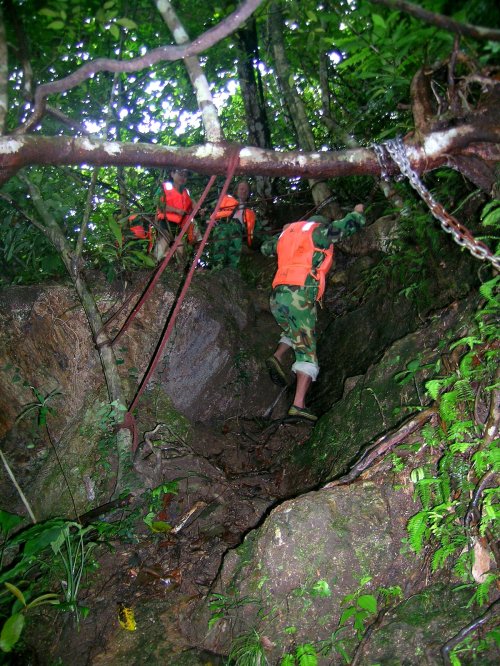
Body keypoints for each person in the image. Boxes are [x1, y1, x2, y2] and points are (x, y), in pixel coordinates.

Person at [261, 204, 366, 422]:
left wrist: (283, 233)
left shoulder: (288, 236)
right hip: (299, 294)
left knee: (294, 330)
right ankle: (298, 405)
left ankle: (278, 356)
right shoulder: (317, 233)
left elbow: (265, 248)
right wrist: (357, 213)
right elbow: (346, 227)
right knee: (307, 349)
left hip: (278, 295)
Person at [210, 180, 259, 269]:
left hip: (238, 232)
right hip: (223, 226)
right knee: (219, 253)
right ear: (236, 191)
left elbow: (254, 231)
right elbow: (208, 210)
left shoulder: (250, 212)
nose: (244, 191)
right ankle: (216, 271)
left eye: (246, 190)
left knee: (233, 258)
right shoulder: (226, 200)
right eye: (242, 189)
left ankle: (230, 273)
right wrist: (209, 219)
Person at [154, 168, 194, 261]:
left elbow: (193, 206)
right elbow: (159, 204)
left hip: (180, 225)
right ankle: (154, 263)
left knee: (180, 247)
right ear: (172, 174)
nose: (183, 177)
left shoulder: (185, 192)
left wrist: (200, 211)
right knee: (164, 242)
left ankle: (178, 266)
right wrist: (176, 210)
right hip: (166, 221)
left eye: (185, 175)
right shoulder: (164, 187)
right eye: (180, 174)